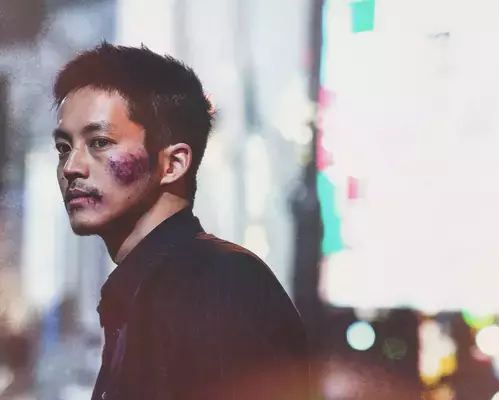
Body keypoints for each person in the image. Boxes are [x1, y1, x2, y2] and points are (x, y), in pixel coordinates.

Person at [52, 42, 310, 400]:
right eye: (63, 148)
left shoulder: (215, 283)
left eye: (99, 142)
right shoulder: (148, 289)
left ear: (173, 164)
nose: (71, 167)